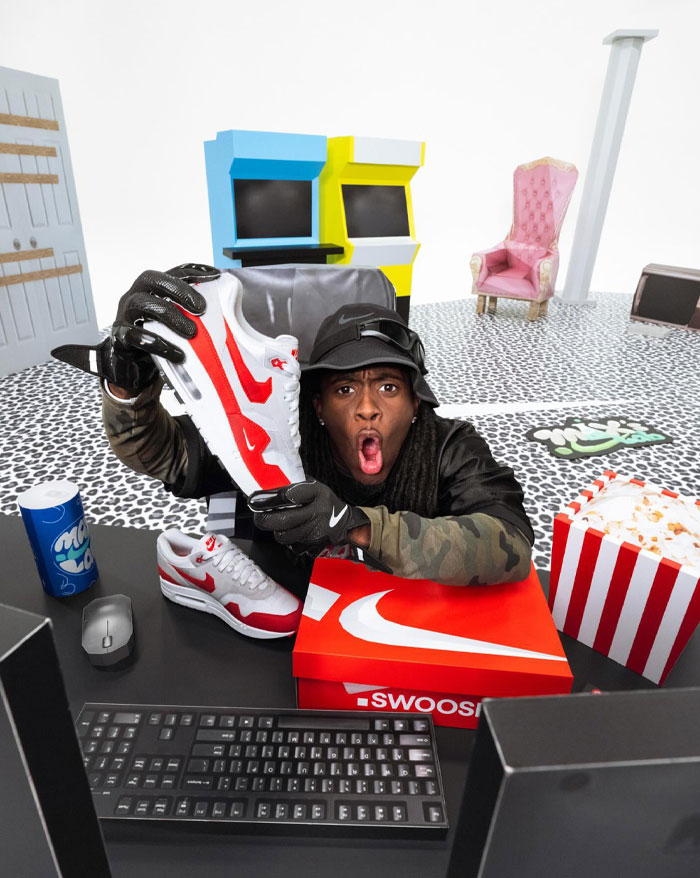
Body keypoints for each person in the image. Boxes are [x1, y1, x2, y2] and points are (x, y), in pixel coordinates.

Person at [59, 264, 534, 587]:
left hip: (414, 631)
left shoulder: (450, 446)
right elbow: (161, 454)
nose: (367, 408)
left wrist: (357, 526)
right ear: (319, 406)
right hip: (290, 616)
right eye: (345, 389)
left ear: (415, 403)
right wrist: (128, 389)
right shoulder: (272, 437)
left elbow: (510, 545)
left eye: (388, 386)